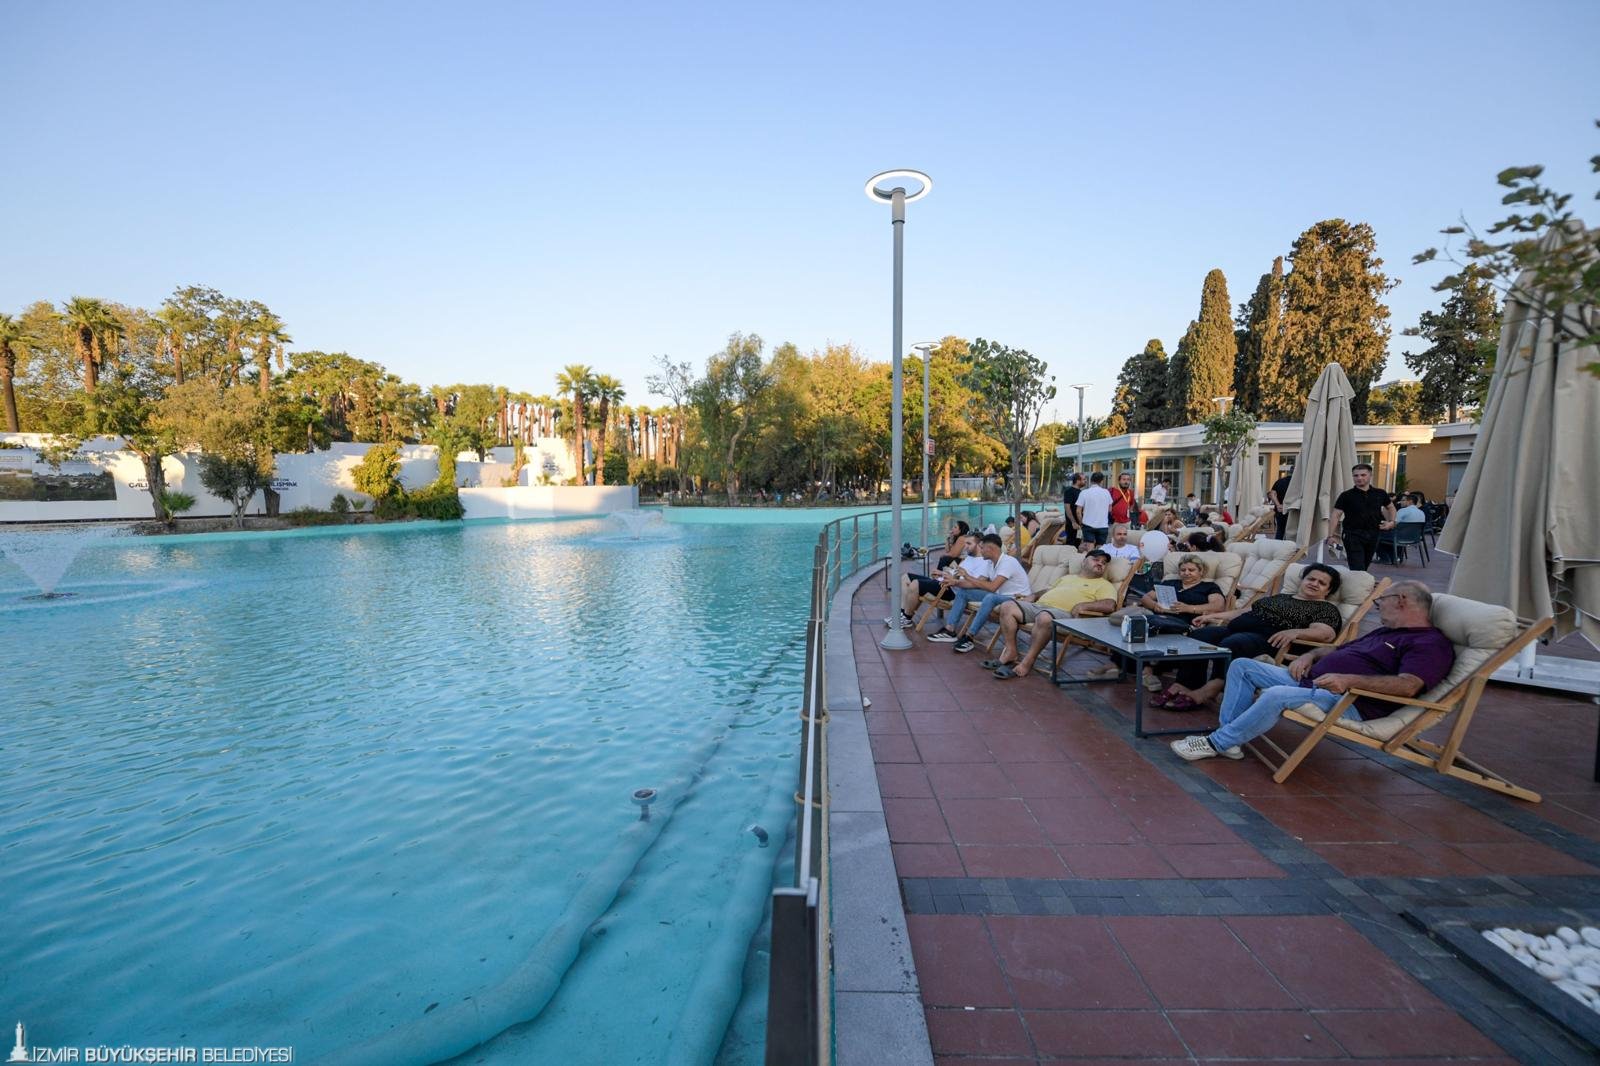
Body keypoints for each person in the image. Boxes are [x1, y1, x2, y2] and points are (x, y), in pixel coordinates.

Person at [1170, 581, 1455, 761]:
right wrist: (1309, 655)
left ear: (1401, 600)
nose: (1377, 609)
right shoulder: (1385, 632)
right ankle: (1230, 737)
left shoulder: (1430, 644)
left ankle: (1216, 743)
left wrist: (1349, 680)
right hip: (1311, 680)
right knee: (1242, 666)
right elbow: (1336, 649)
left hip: (1348, 701)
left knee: (1277, 694)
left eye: (1381, 602)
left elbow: (1408, 686)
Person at [1154, 563, 1344, 710]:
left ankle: (1210, 689)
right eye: (1311, 579)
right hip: (1239, 630)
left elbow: (1326, 633)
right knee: (1199, 636)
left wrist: (1295, 631)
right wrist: (1212, 616)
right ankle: (1185, 683)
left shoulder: (1325, 608)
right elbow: (1245, 612)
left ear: (1328, 590)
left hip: (1270, 640)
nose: (1314, 584)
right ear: (1302, 580)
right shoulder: (1281, 597)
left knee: (1233, 644)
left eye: (1321, 583)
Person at [1087, 554, 1224, 687]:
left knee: (1152, 629)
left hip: (1183, 624)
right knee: (1136, 625)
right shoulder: (1170, 583)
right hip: (1157, 618)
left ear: (1201, 571)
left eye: (1191, 570)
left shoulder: (1208, 587)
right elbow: (1146, 598)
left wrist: (1189, 608)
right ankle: (1117, 664)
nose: (1186, 573)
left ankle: (1143, 669)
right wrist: (1154, 605)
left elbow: (1218, 606)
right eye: (1183, 570)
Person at [986, 550, 1120, 678]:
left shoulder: (1104, 585)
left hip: (1065, 615)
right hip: (1039, 606)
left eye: (1103, 563)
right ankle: (1010, 651)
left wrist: (1083, 605)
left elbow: (1109, 605)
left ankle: (1027, 661)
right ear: (1084, 562)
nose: (1100, 563)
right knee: (1007, 606)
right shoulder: (1067, 578)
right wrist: (1034, 595)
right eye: (1096, 559)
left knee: (1044, 617)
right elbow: (1048, 591)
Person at [926, 533, 1031, 653]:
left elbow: (992, 587)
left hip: (1017, 599)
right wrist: (955, 582)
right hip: (1000, 596)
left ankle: (969, 637)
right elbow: (977, 583)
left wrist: (967, 576)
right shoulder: (990, 562)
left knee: (990, 597)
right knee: (964, 592)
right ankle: (950, 630)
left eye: (982, 548)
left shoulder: (1008, 562)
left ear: (990, 549)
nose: (980, 551)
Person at [889, 531, 978, 627]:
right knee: (906, 577)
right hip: (944, 581)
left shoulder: (983, 563)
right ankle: (902, 614)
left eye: (969, 544)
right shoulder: (968, 558)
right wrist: (942, 573)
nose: (965, 546)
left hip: (951, 589)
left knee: (915, 584)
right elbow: (956, 572)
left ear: (978, 545)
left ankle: (907, 618)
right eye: (965, 543)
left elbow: (974, 583)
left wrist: (951, 579)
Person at [1328, 463, 1395, 572]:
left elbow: (1391, 507)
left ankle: (1359, 580)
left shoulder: (1380, 493)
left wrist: (1391, 522)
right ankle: (1358, 581)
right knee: (1357, 567)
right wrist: (1330, 536)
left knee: (1365, 565)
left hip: (1374, 533)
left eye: (1363, 475)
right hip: (1352, 534)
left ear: (1370, 475)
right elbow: (1335, 515)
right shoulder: (1346, 495)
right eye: (1356, 475)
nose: (1359, 478)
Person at [1076, 471, 1113, 546]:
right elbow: (1110, 509)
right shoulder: (1106, 492)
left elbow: (1078, 511)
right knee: (1100, 547)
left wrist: (1081, 523)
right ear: (1102, 481)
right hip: (1103, 525)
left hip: (1088, 525)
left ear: (1091, 480)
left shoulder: (1084, 492)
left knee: (1089, 547)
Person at [1268, 468, 1294, 540]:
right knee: (1292, 533)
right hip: (1292, 511)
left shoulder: (1280, 481)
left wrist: (1278, 505)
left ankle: (1277, 545)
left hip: (1280, 511)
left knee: (1280, 531)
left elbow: (1272, 494)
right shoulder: (1297, 483)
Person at [1061, 473, 1085, 545]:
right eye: (1083, 479)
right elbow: (1067, 508)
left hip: (1079, 524)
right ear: (1078, 480)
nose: (1085, 481)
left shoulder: (1081, 492)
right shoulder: (1069, 492)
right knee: (1070, 545)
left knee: (1078, 543)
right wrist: (1073, 522)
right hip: (1072, 525)